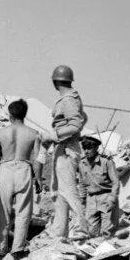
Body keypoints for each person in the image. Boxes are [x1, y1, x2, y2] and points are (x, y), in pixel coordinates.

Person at [0, 99, 42, 257]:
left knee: (2, 209)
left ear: (10, 114)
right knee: (23, 211)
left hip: (6, 168)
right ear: (25, 114)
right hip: (24, 167)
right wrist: (38, 178)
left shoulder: (1, 132)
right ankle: (18, 248)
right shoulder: (33, 133)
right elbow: (38, 158)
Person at [49, 64, 89, 241]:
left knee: (69, 191)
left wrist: (55, 135)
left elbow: (76, 124)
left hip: (66, 148)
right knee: (60, 192)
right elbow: (83, 117)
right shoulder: (72, 98)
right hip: (64, 147)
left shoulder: (68, 100)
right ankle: (60, 232)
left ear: (55, 82)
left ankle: (82, 230)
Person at [80, 137, 119, 236]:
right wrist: (82, 200)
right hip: (91, 199)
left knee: (107, 232)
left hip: (106, 197)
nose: (86, 151)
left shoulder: (106, 162)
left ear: (96, 148)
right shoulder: (82, 163)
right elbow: (82, 183)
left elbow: (115, 182)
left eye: (89, 148)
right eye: (84, 148)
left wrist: (112, 199)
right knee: (91, 232)